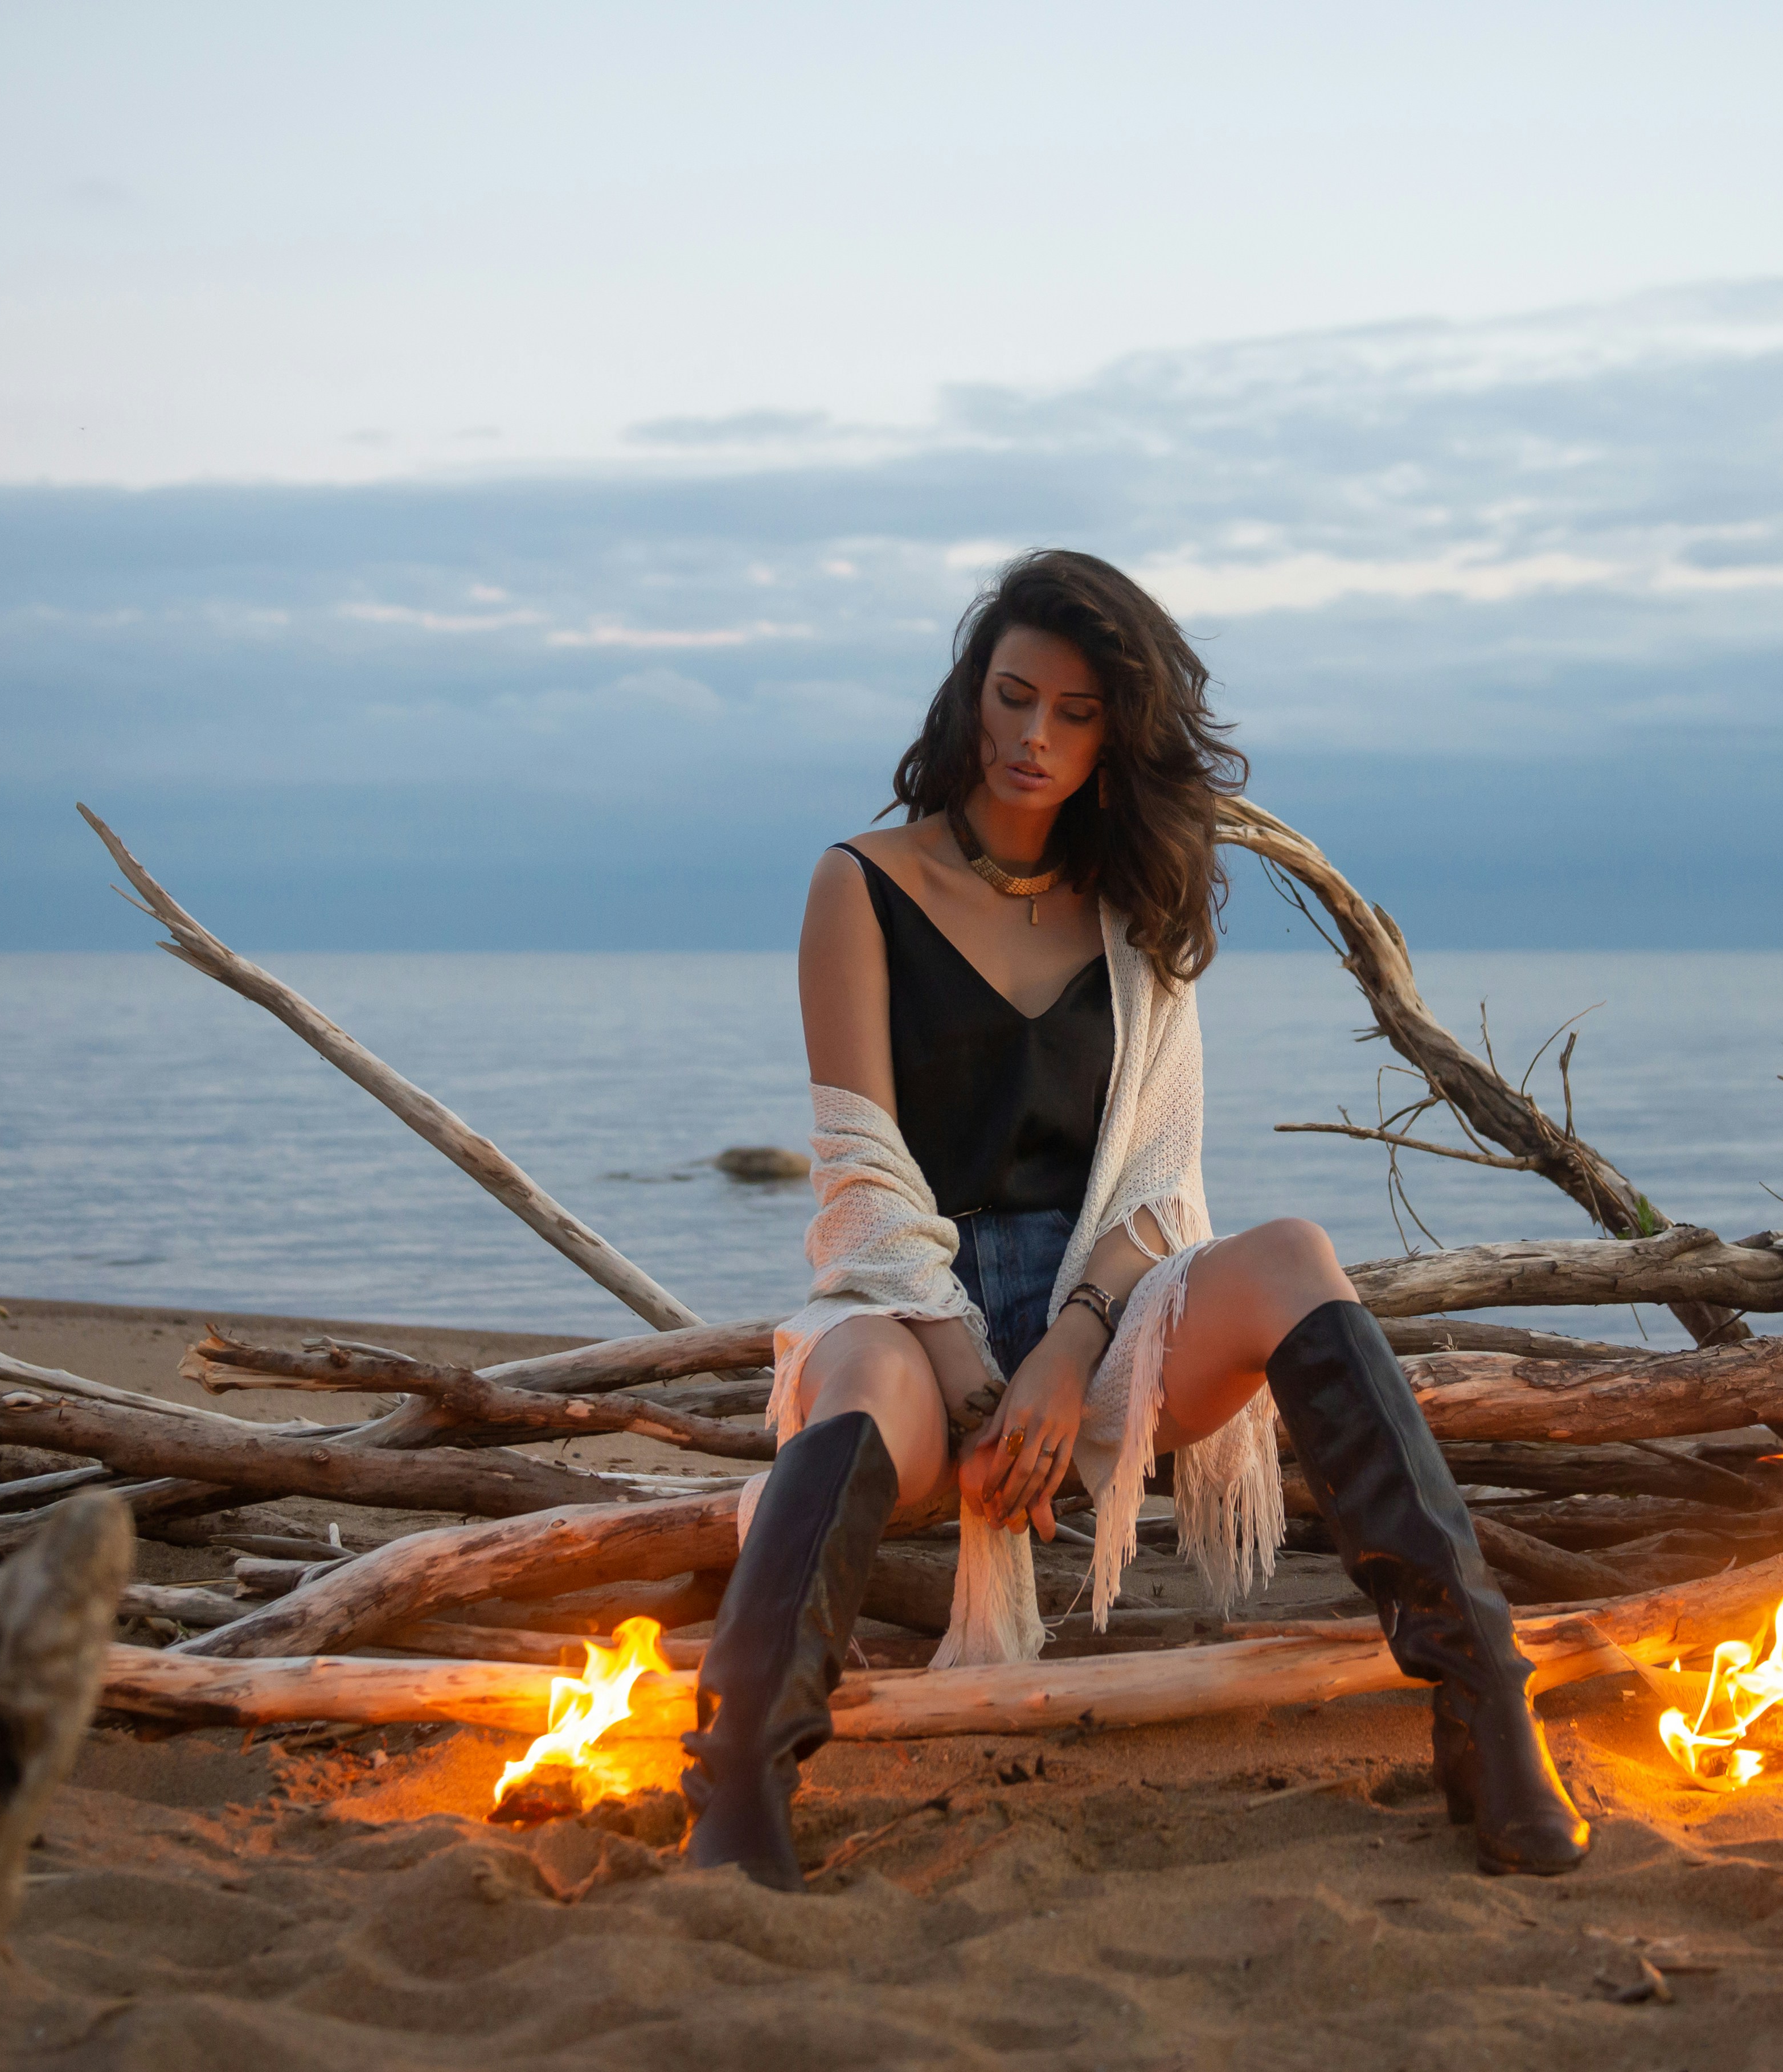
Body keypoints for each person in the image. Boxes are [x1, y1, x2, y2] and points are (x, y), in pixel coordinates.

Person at [677, 550, 1588, 1889]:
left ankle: (1486, 1707)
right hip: (910, 1309)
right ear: (970, 694)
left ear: (1116, 735)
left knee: (1291, 1254)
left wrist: (1064, 1355)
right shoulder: (859, 884)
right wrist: (979, 1389)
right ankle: (741, 1774)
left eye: (1076, 713)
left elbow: (1155, 1188)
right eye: (1013, 696)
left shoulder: (1134, 905)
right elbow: (863, 1179)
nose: (1034, 737)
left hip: (1102, 1316)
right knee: (858, 1375)